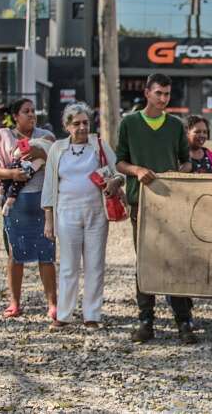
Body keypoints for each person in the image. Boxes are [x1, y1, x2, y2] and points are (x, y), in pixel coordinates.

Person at [115, 73, 195, 343]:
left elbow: (188, 162)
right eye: (159, 93)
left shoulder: (175, 125)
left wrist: (175, 173)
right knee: (146, 262)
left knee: (176, 261)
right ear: (147, 93)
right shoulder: (129, 123)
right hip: (142, 203)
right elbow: (119, 162)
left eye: (167, 94)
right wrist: (136, 170)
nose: (164, 99)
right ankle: (146, 320)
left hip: (171, 204)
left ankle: (184, 321)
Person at [42, 102, 124, 330]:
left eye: (85, 123)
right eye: (76, 123)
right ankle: (64, 314)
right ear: (67, 126)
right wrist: (48, 219)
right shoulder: (57, 149)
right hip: (66, 213)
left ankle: (92, 315)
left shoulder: (99, 145)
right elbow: (49, 186)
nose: (81, 127)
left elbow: (118, 173)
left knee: (95, 264)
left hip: (96, 213)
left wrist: (114, 182)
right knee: (68, 265)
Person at [0, 98, 57, 319]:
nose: (31, 115)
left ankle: (52, 304)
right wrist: (13, 174)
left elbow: (57, 162)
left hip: (43, 204)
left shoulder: (45, 137)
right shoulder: (3, 138)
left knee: (47, 254)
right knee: (15, 255)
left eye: (33, 111)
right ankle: (15, 302)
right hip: (15, 205)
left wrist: (41, 153)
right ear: (16, 116)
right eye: (26, 111)